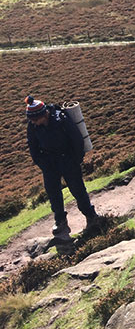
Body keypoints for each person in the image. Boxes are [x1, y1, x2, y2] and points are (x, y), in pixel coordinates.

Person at [25, 95, 100, 239]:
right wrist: (43, 164)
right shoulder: (33, 126)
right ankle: (60, 220)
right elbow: (33, 147)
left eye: (35, 119)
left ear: (43, 114)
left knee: (77, 189)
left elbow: (76, 139)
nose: (34, 122)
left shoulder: (62, 119)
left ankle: (91, 216)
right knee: (53, 193)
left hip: (68, 159)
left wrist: (76, 159)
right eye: (32, 120)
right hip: (49, 163)